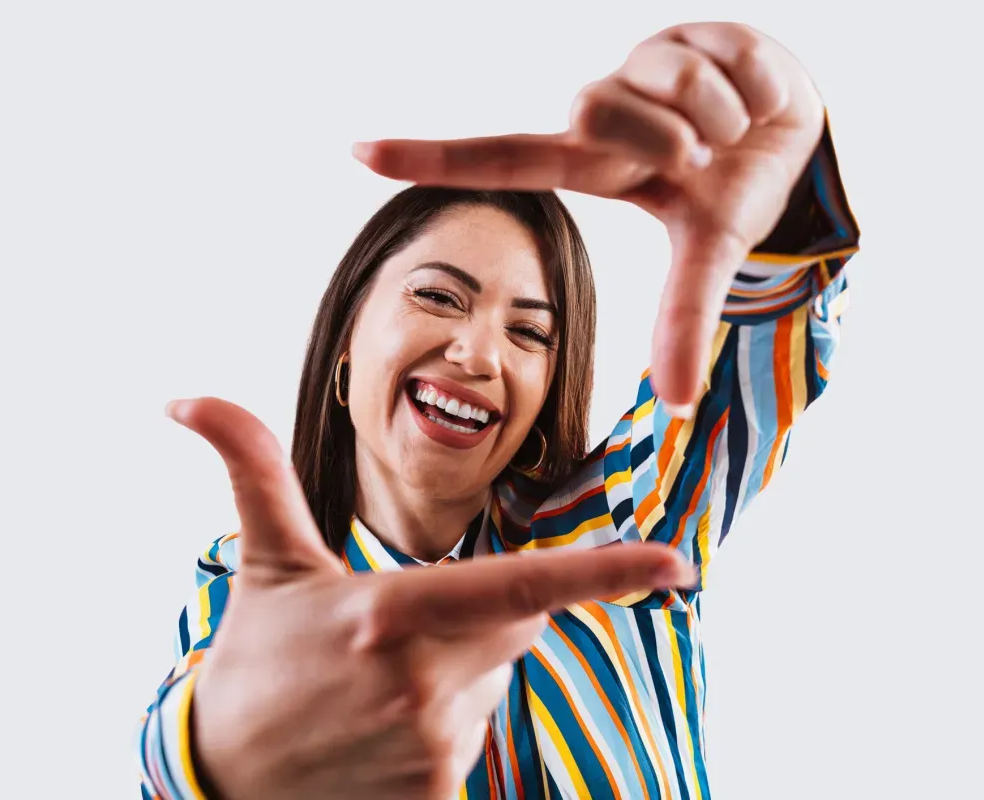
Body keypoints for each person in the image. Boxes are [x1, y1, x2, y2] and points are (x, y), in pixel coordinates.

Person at [135, 20, 859, 800]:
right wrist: (225, 759)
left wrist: (784, 207)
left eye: (529, 332)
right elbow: (191, 732)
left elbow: (752, 354)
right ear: (346, 342)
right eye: (438, 296)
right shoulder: (252, 582)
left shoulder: (619, 524)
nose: (478, 356)